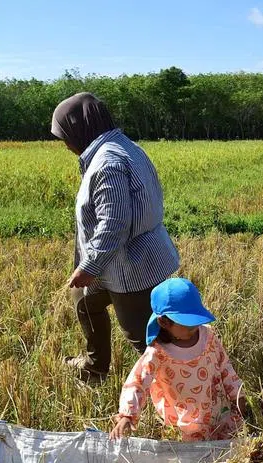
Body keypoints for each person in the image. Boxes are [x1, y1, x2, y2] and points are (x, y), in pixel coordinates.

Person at [51, 92, 180, 384]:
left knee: (142, 337)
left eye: (64, 136)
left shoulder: (108, 161)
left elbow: (114, 222)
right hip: (119, 263)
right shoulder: (123, 147)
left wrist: (90, 265)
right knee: (85, 302)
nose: (65, 144)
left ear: (79, 130)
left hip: (130, 267)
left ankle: (176, 391)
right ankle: (95, 367)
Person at [112, 278, 245, 442]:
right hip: (189, 424)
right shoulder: (158, 353)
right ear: (164, 322)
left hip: (219, 411)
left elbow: (225, 366)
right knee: (198, 461)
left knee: (229, 448)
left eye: (197, 323)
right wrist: (128, 414)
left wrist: (237, 393)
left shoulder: (207, 336)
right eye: (188, 327)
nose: (195, 329)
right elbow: (137, 382)